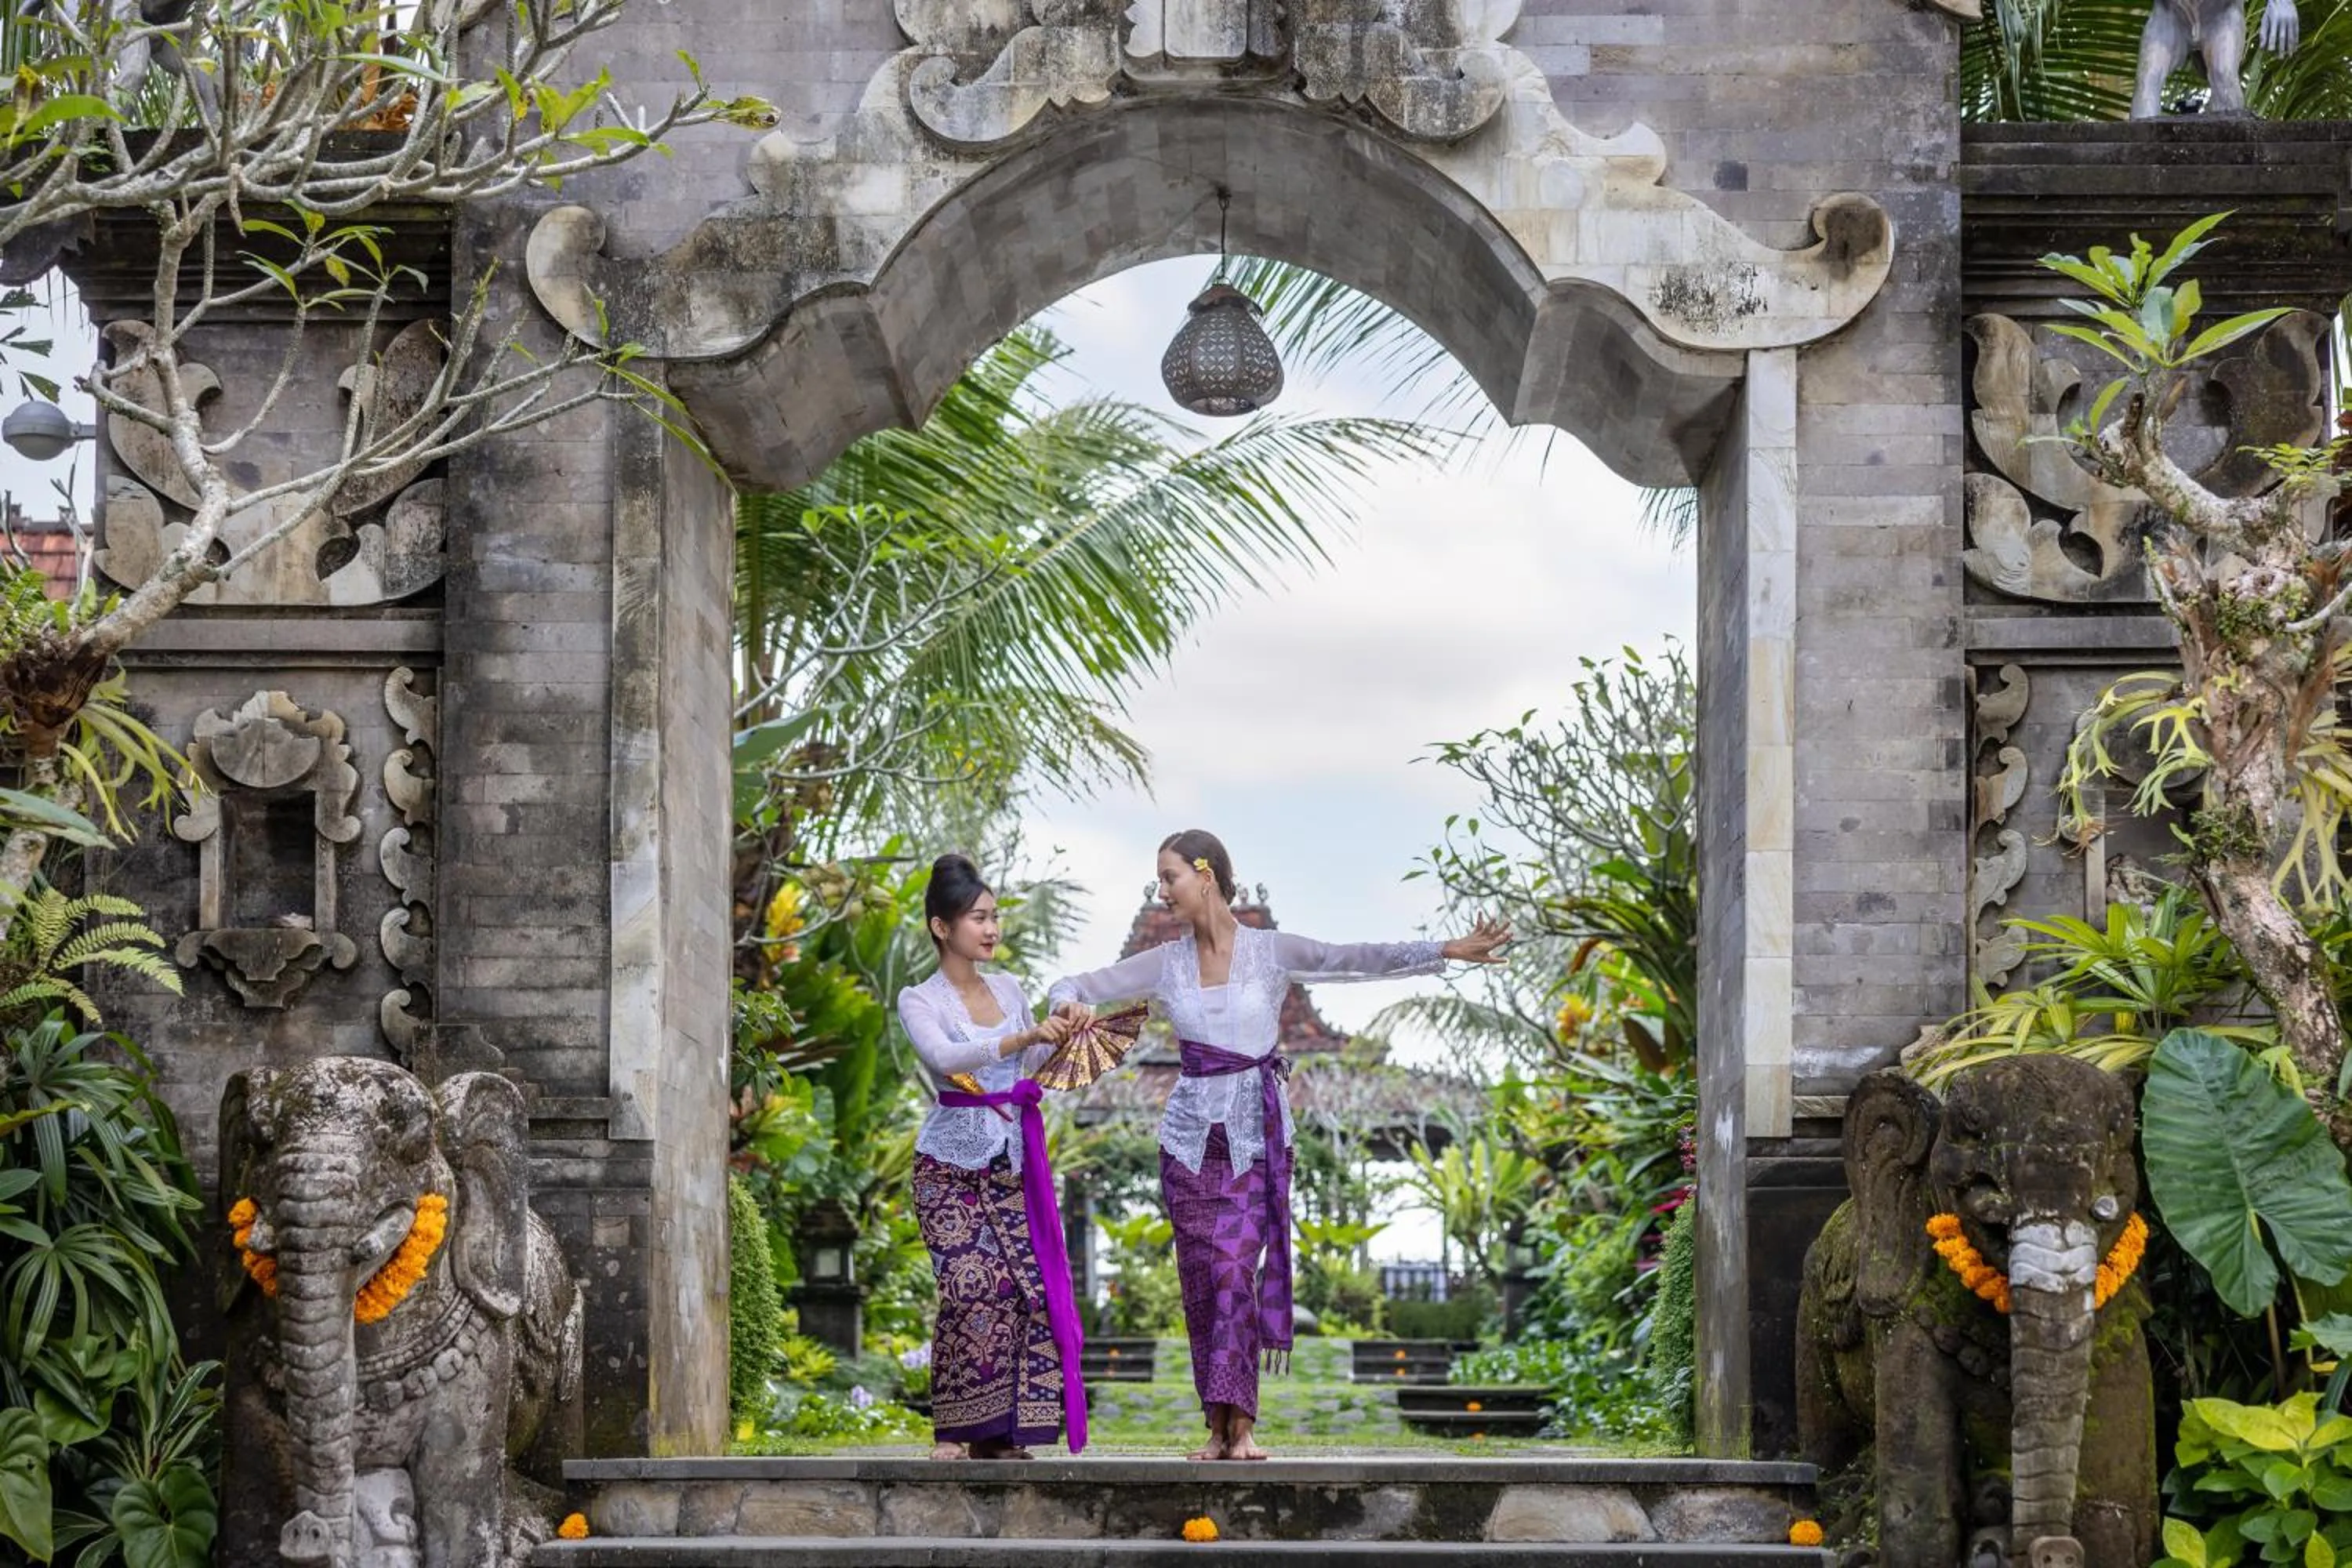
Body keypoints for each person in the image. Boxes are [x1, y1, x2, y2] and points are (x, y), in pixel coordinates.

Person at [1046, 829, 1508, 1461]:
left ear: (1205, 874)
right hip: (1187, 1144)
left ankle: (1244, 1427)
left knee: (1236, 1272)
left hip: (1256, 1139)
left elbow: (1355, 958)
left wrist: (1447, 949)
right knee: (1203, 1285)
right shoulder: (1166, 962)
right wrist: (1066, 1006)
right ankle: (1216, 1427)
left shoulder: (1270, 952)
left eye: (1169, 876)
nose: (1162, 890)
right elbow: (1078, 981)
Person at [898, 853, 1089, 1461]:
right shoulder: (919, 998)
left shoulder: (1007, 988)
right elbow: (947, 1060)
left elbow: (1028, 1066)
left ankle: (1005, 1435)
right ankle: (955, 1430)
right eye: (978, 917)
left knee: (1028, 1290)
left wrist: (1060, 1029)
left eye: (995, 916)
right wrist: (1024, 1037)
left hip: (1010, 1162)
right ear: (941, 927)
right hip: (947, 1166)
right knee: (971, 1285)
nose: (992, 928)